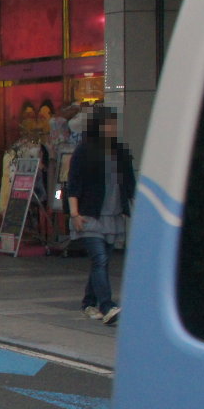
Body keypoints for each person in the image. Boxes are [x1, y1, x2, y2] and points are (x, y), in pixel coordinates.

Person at [66, 106, 135, 326]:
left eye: (114, 124)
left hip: (113, 216)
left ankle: (88, 303)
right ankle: (107, 305)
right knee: (100, 259)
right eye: (107, 124)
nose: (112, 128)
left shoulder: (121, 152)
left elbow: (130, 185)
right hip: (89, 216)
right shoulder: (84, 151)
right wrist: (75, 213)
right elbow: (73, 184)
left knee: (101, 263)